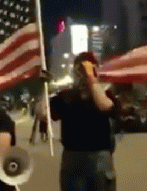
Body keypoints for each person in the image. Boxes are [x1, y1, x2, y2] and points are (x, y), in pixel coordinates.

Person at [49, 52, 115, 191]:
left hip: (100, 157)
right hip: (72, 157)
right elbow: (43, 114)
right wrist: (45, 87)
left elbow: (104, 105)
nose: (83, 73)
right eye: (80, 69)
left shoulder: (106, 93)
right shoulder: (66, 95)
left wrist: (91, 78)